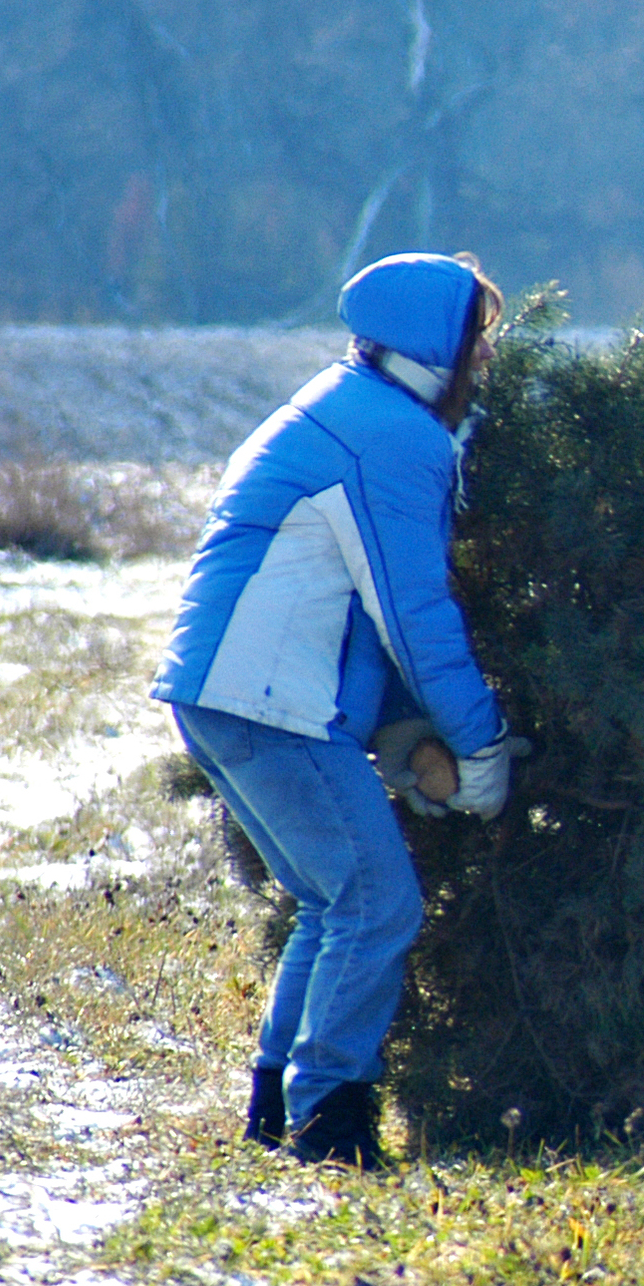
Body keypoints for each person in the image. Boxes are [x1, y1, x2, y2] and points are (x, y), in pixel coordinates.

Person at [153, 252, 521, 1170]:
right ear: (438, 348)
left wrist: (400, 743)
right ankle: (332, 1121)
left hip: (223, 694)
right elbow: (414, 614)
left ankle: (277, 1104)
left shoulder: (340, 403)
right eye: (478, 343)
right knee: (378, 900)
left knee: (332, 900)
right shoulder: (396, 434)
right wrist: (481, 748)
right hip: (268, 701)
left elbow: (357, 613)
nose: (484, 364)